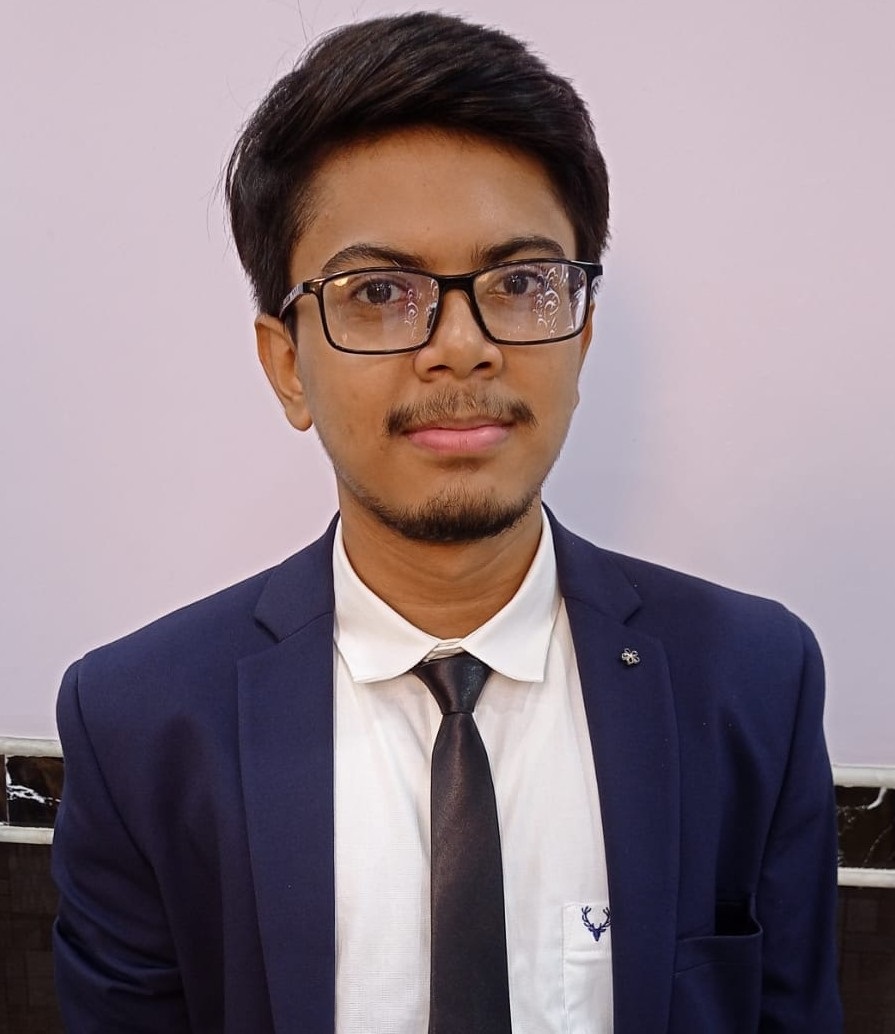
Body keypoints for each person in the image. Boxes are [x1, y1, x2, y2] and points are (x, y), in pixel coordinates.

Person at [51, 12, 842, 1033]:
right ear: (287, 364)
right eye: (380, 291)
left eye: (519, 283)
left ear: (581, 337)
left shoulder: (751, 679)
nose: (460, 347)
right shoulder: (143, 722)